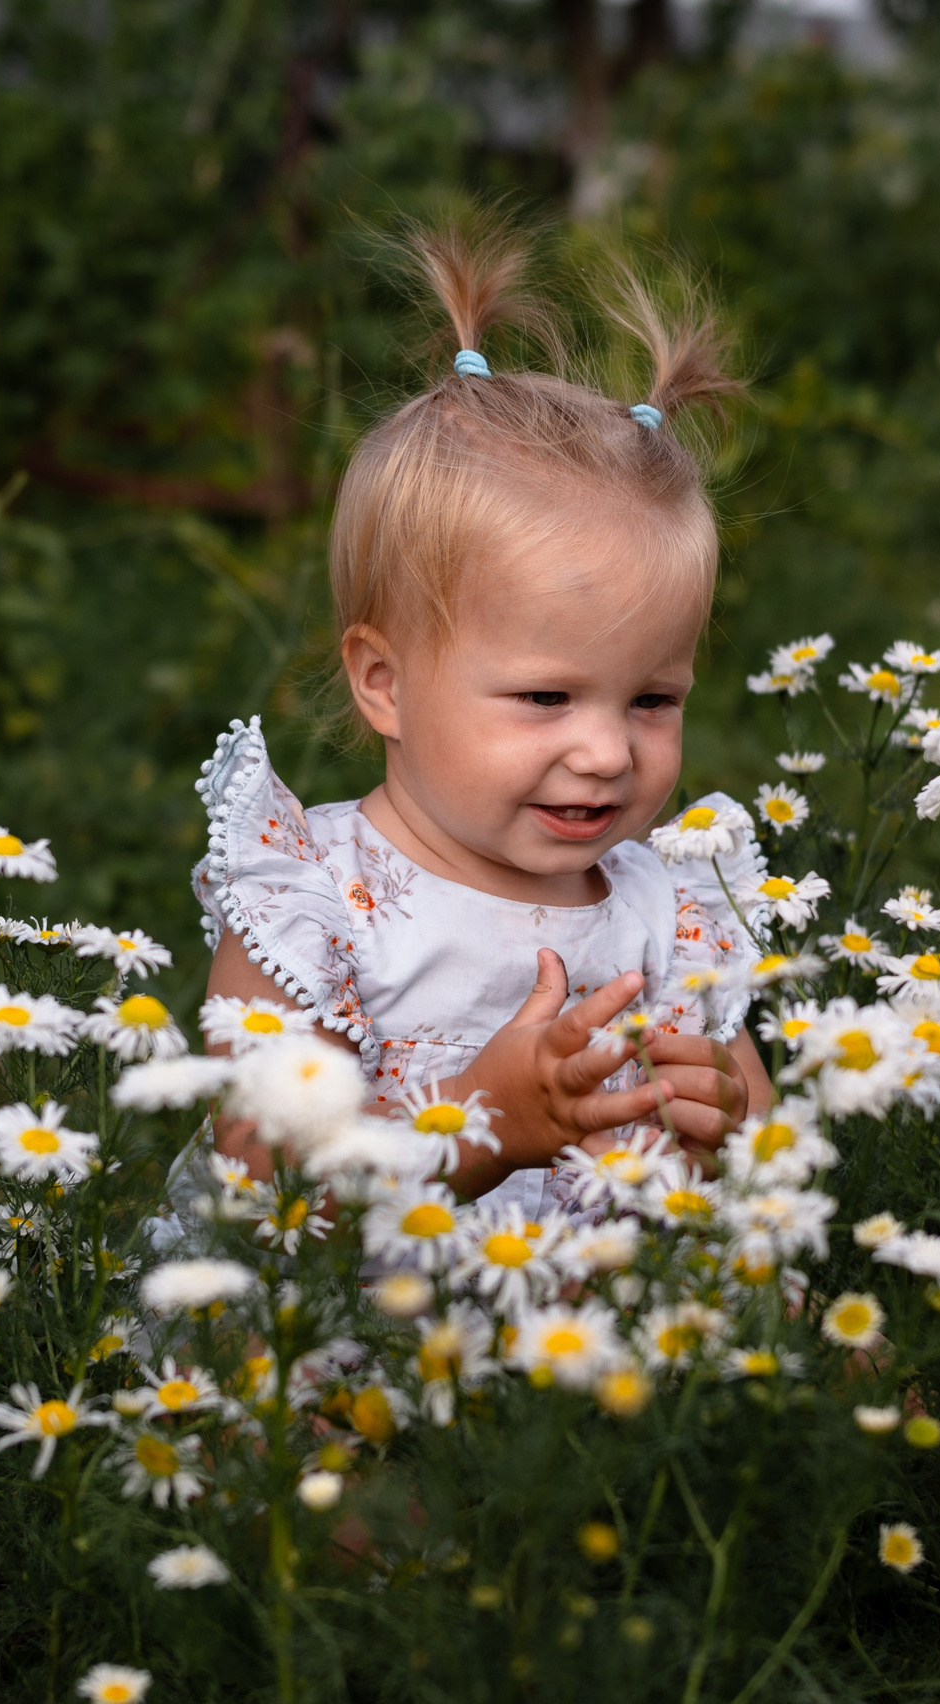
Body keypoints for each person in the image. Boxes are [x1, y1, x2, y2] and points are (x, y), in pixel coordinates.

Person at [189, 219, 773, 1223]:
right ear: (384, 683)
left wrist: (724, 1124)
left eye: (651, 700)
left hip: (608, 1344)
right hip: (369, 1343)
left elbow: (768, 1153)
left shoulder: (668, 913)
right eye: (546, 697)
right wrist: (479, 1126)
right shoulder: (315, 903)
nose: (603, 753)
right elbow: (267, 1189)